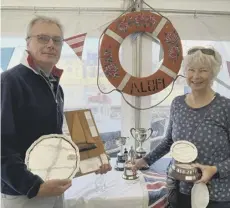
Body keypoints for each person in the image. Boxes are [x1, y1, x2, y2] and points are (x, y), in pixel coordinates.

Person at [1, 16, 111, 208]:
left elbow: (55, 140)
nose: (51, 44)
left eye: (57, 40)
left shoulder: (55, 86)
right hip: (24, 195)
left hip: (54, 187)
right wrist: (33, 186)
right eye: (43, 38)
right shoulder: (10, 82)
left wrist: (92, 160)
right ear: (28, 42)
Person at [132, 46, 230, 208]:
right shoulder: (178, 103)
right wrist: (145, 160)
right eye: (191, 70)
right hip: (180, 189)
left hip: (217, 194)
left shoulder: (225, 107)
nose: (196, 76)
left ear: (213, 73)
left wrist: (215, 169)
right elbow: (169, 141)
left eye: (203, 70)